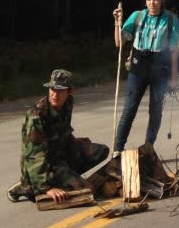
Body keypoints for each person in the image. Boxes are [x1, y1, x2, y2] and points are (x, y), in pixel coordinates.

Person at [7, 69, 109, 204]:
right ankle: (29, 186)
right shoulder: (38, 115)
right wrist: (47, 189)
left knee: (101, 151)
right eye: (52, 89)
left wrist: (73, 140)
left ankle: (65, 178)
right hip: (45, 163)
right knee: (88, 190)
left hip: (58, 154)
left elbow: (61, 129)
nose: (55, 94)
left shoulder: (67, 103)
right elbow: (33, 156)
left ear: (70, 91)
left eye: (60, 90)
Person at [111, 0, 179, 158]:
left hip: (160, 69)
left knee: (155, 111)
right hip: (138, 67)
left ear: (161, 1)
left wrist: (173, 78)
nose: (152, 3)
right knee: (129, 109)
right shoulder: (137, 16)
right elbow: (120, 42)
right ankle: (118, 149)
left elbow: (174, 51)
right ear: (145, 1)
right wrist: (117, 23)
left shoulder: (170, 20)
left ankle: (148, 148)